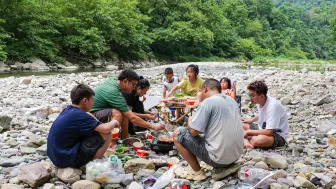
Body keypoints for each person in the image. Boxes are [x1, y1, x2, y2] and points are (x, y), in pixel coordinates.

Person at [173, 79, 244, 181]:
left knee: (178, 133)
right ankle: (223, 165)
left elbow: (193, 132)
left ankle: (196, 172)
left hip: (219, 160)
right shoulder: (232, 101)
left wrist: (190, 120)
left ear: (205, 89)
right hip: (235, 156)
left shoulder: (208, 102)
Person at [47, 84, 119, 168]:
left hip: (56, 156)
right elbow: (105, 129)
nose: (93, 103)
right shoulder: (79, 115)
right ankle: (96, 162)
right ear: (85, 101)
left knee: (95, 131)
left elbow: (90, 117)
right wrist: (114, 121)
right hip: (65, 159)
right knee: (107, 133)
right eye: (92, 100)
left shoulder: (68, 109)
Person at [90, 69, 164, 141]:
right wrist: (154, 127)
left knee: (123, 112)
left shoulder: (112, 80)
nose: (134, 87)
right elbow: (132, 118)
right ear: (125, 81)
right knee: (118, 114)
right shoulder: (115, 93)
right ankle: (112, 143)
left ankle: (124, 138)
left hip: (96, 112)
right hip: (92, 116)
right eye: (134, 85)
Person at [242, 80, 288, 149]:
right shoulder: (260, 101)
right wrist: (251, 120)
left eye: (252, 95)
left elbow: (269, 132)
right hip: (262, 128)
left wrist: (248, 132)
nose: (250, 98)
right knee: (239, 124)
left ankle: (245, 139)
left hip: (277, 135)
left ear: (261, 96)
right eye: (249, 95)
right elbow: (262, 113)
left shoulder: (273, 106)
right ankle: (247, 142)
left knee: (259, 140)